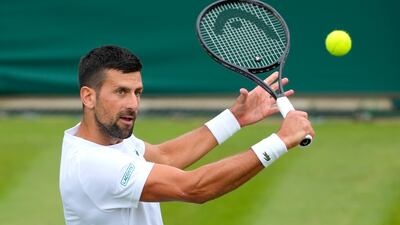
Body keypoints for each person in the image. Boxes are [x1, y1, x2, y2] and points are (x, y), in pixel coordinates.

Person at [59, 45, 314, 225]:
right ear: (88, 97)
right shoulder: (92, 165)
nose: (133, 104)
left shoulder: (110, 141)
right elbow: (194, 187)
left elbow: (165, 157)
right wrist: (279, 141)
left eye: (137, 92)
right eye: (121, 92)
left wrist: (235, 118)